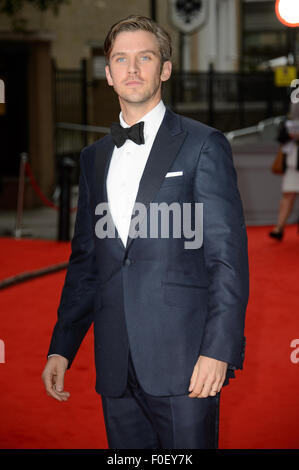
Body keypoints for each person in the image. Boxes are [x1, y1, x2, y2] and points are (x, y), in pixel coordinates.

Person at [42, 15, 249, 449]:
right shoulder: (94, 157)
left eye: (145, 57)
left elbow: (226, 258)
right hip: (115, 364)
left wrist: (218, 350)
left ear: (165, 69)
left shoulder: (202, 145)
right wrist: (61, 346)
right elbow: (86, 261)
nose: (132, 69)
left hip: (185, 361)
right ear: (108, 73)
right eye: (121, 59)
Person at [269, 102, 299, 240]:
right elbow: (280, 137)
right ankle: (279, 228)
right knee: (287, 196)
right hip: (292, 164)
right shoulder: (289, 120)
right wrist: (290, 136)